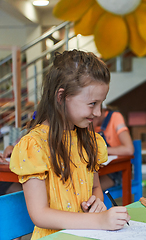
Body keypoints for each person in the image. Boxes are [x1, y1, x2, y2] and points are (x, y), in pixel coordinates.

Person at [9, 50, 130, 240]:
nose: (98, 112)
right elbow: (40, 215)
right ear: (61, 97)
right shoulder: (34, 145)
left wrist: (97, 203)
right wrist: (99, 221)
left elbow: (96, 188)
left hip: (87, 235)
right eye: (92, 103)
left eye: (101, 103)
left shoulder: (90, 140)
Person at [93, 104, 134, 190]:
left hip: (118, 171)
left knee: (92, 190)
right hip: (99, 170)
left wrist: (102, 151)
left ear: (99, 112)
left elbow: (129, 149)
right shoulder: (92, 125)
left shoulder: (115, 117)